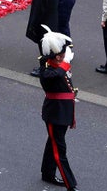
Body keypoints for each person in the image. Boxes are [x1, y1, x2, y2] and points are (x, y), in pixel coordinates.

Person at [37, 27, 78, 191]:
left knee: (52, 143)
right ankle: (71, 184)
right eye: (58, 55)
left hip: (63, 112)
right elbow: (57, 74)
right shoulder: (47, 72)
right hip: (55, 114)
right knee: (59, 150)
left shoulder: (57, 66)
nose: (61, 57)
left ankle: (47, 173)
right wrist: (65, 62)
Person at [25, 0, 59, 77]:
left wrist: (33, 24)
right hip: (52, 20)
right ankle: (50, 66)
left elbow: (39, 8)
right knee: (49, 47)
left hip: (43, 23)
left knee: (44, 48)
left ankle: (44, 68)